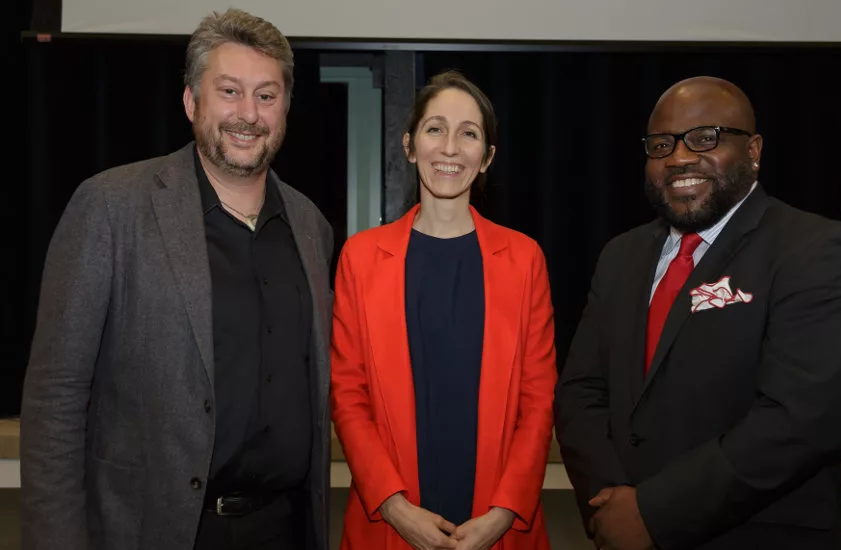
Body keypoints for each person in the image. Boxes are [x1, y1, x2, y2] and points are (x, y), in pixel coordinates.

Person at [20, 9, 333, 550]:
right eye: (229, 91)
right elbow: (56, 398)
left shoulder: (311, 226)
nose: (248, 114)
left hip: (286, 528)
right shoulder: (112, 207)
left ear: (285, 108)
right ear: (192, 102)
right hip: (154, 530)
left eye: (266, 95)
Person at [554, 76, 841, 550]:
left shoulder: (816, 249)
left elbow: (802, 421)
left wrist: (654, 513)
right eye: (662, 144)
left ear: (754, 151)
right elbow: (580, 392)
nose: (680, 158)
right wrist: (610, 503)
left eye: (705, 138)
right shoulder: (620, 256)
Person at [331, 71, 557, 550]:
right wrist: (394, 506)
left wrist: (503, 513)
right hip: (390, 524)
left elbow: (537, 402)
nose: (450, 148)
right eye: (435, 129)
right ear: (410, 145)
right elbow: (349, 395)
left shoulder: (524, 259)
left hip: (498, 522)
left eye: (468, 134)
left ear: (487, 157)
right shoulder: (360, 257)